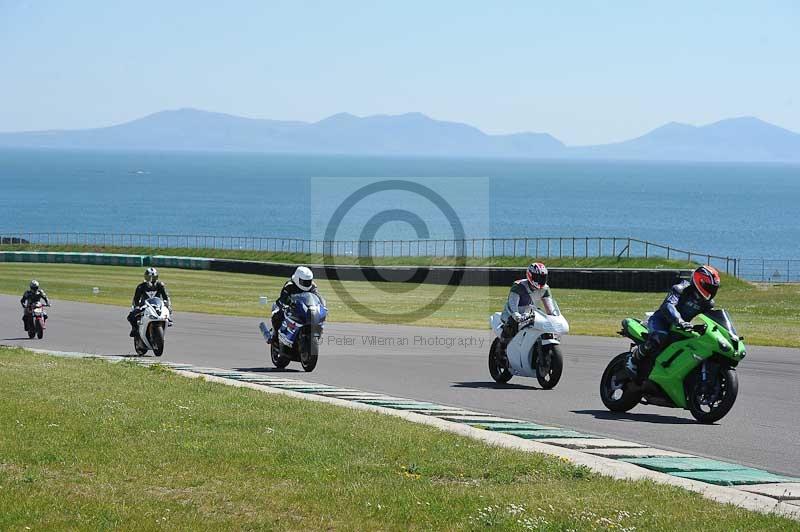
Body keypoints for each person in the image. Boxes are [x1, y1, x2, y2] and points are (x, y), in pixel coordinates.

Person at [626, 265, 720, 378]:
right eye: (709, 287)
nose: (712, 290)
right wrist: (678, 320)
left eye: (714, 288)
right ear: (699, 281)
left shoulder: (708, 303)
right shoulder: (680, 289)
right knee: (661, 337)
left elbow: (712, 319)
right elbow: (668, 305)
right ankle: (633, 360)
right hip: (661, 320)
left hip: (681, 327)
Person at [499, 262, 556, 343]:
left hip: (529, 315)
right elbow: (512, 304)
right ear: (530, 275)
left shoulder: (545, 289)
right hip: (511, 314)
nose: (540, 280)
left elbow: (550, 308)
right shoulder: (519, 285)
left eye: (543, 277)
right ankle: (502, 347)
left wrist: (553, 317)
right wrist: (516, 315)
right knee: (512, 325)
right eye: (538, 277)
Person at [270, 266, 324, 344]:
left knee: (317, 318)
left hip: (305, 309)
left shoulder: (312, 286)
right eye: (304, 282)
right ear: (297, 279)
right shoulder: (289, 285)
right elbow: (283, 298)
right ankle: (274, 336)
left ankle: (313, 337)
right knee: (277, 315)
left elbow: (318, 297)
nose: (307, 284)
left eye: (308, 281)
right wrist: (286, 304)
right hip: (291, 308)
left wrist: (322, 305)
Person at [127, 267, 171, 337]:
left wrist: (167, 305)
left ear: (156, 277)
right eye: (149, 277)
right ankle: (134, 329)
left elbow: (166, 297)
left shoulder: (160, 285)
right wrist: (137, 306)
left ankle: (167, 320)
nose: (151, 280)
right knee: (131, 316)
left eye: (153, 277)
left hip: (157, 305)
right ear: (145, 277)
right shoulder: (141, 287)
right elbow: (136, 299)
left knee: (168, 311)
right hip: (144, 306)